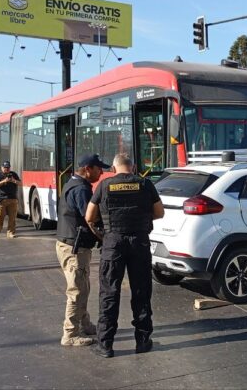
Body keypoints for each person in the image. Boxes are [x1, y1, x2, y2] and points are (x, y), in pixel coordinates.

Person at [85, 153, 164, 358]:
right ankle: (143, 341)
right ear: (134, 166)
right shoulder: (145, 184)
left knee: (109, 293)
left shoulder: (104, 185)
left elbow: (89, 216)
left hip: (113, 243)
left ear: (113, 168)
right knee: (141, 292)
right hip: (139, 242)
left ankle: (106, 345)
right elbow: (159, 212)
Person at [55, 154, 111, 347]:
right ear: (88, 169)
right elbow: (91, 218)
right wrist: (105, 237)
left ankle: (84, 324)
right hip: (74, 248)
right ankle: (69, 334)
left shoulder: (72, 183)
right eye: (98, 169)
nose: (101, 172)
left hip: (70, 245)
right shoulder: (81, 190)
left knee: (83, 287)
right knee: (77, 290)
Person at [0, 161, 21, 238]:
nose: (7, 169)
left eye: (8, 168)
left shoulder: (13, 174)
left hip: (13, 199)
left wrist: (13, 180)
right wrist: (4, 181)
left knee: (12, 217)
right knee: (0, 216)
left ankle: (10, 232)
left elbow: (20, 183)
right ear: (2, 168)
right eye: (5, 168)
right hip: (2, 199)